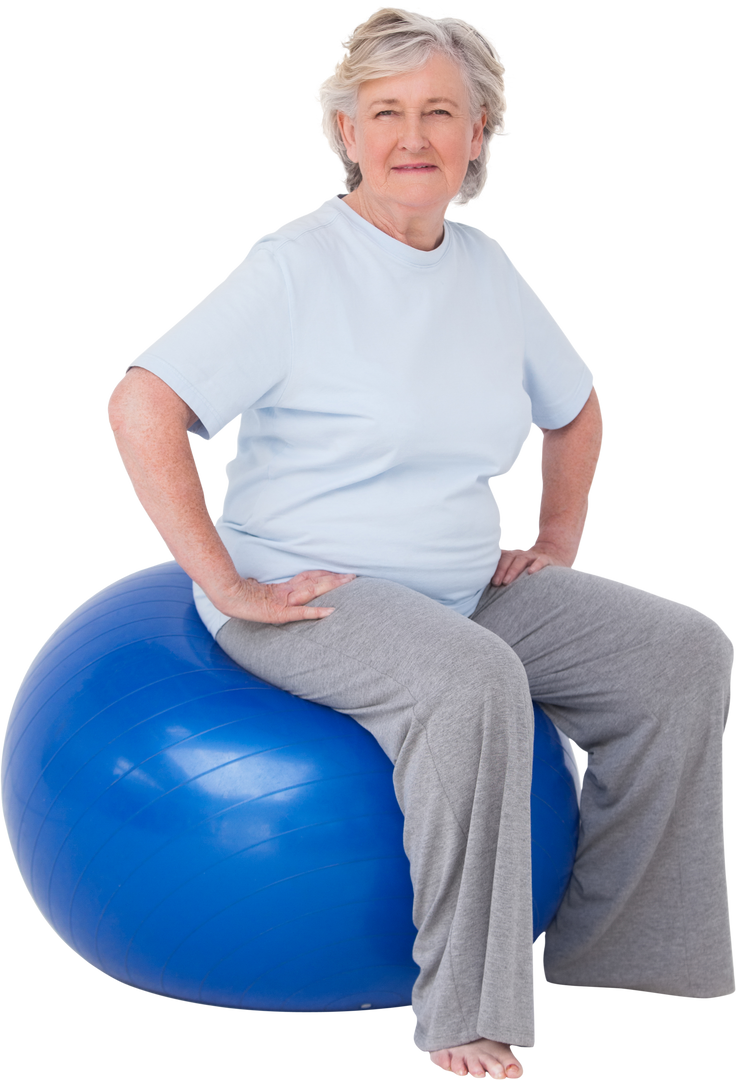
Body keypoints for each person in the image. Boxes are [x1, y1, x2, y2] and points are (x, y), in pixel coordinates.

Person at [104, 6, 735, 1078]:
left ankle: (620, 948)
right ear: (345, 131)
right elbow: (141, 402)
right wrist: (222, 576)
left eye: (439, 111)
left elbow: (574, 406)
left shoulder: (483, 266)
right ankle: (464, 1013)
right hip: (314, 589)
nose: (411, 135)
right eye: (384, 111)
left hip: (459, 582)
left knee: (681, 653)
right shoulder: (295, 265)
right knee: (470, 681)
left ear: (481, 130)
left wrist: (556, 540)